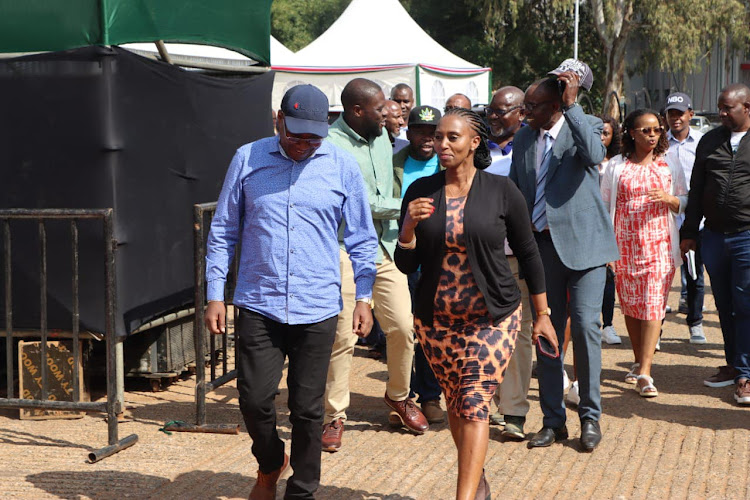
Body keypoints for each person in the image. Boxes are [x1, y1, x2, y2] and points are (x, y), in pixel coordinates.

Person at [204, 84, 378, 499]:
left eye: (313, 136)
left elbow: (362, 237)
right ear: (278, 120)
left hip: (317, 306)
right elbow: (224, 229)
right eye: (295, 134)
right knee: (254, 401)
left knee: (307, 409)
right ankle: (269, 462)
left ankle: (301, 490)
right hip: (259, 302)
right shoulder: (248, 158)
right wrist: (215, 292)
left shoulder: (342, 165)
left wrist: (366, 297)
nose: (303, 144)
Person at [396, 107, 556, 499]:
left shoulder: (502, 191)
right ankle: (477, 478)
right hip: (437, 323)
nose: (442, 144)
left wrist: (543, 314)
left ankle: (464, 496)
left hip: (492, 318)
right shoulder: (420, 192)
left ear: (474, 142)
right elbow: (406, 263)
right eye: (439, 137)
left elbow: (528, 252)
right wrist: (408, 228)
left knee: (473, 403)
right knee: (456, 404)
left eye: (452, 137)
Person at [509, 59, 619, 451]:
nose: (526, 113)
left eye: (534, 106)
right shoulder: (524, 138)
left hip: (586, 249)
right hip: (542, 250)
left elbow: (593, 156)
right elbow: (517, 192)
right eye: (525, 105)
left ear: (556, 105)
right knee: (547, 331)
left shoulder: (584, 125)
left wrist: (573, 105)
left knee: (587, 327)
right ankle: (554, 421)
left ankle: (590, 417)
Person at [322, 78, 428, 453]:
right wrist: (405, 208)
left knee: (402, 327)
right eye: (380, 108)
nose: (389, 113)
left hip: (384, 248)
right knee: (343, 335)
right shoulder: (331, 146)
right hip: (345, 248)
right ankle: (333, 415)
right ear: (356, 111)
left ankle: (399, 397)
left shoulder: (382, 136)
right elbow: (358, 202)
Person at [600, 109, 688, 398]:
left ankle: (646, 373)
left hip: (659, 245)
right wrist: (606, 249)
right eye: (646, 130)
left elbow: (686, 198)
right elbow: (603, 204)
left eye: (657, 130)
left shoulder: (669, 164)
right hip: (623, 246)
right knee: (631, 308)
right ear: (631, 133)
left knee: (652, 306)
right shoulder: (616, 165)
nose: (653, 135)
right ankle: (638, 361)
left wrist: (671, 199)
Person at [681, 83, 750, 405]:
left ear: (746, 107)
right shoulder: (710, 141)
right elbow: (696, 191)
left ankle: (745, 375)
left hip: (746, 236)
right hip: (714, 237)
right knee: (723, 305)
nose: (721, 113)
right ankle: (734, 364)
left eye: (728, 108)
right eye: (720, 107)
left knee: (745, 304)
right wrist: (690, 233)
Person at [482, 85, 534, 440]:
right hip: (479, 257)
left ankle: (514, 409)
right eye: (491, 111)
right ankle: (485, 403)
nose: (495, 118)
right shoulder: (474, 148)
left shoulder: (533, 151)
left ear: (522, 114)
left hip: (518, 256)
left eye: (502, 112)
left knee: (520, 335)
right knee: (482, 334)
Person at [392, 105, 444, 424]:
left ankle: (430, 397)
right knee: (401, 328)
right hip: (401, 253)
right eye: (420, 130)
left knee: (431, 328)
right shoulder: (391, 162)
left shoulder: (449, 161)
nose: (427, 138)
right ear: (408, 132)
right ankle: (401, 396)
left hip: (438, 255)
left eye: (433, 132)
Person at [665, 92, 707, 344]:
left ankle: (696, 322)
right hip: (666, 218)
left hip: (695, 219)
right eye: (671, 113)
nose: (675, 118)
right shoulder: (659, 142)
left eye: (680, 113)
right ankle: (655, 326)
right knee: (662, 275)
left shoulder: (702, 141)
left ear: (690, 114)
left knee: (694, 274)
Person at [599, 115, 622, 346]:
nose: (601, 137)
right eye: (598, 132)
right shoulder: (583, 159)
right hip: (587, 227)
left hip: (609, 225)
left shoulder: (616, 162)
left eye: (606, 133)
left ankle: (608, 325)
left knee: (608, 279)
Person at [485, 86, 526, 176]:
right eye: (490, 111)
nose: (492, 116)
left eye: (500, 111)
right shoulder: (475, 142)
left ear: (521, 114)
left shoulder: (533, 142)